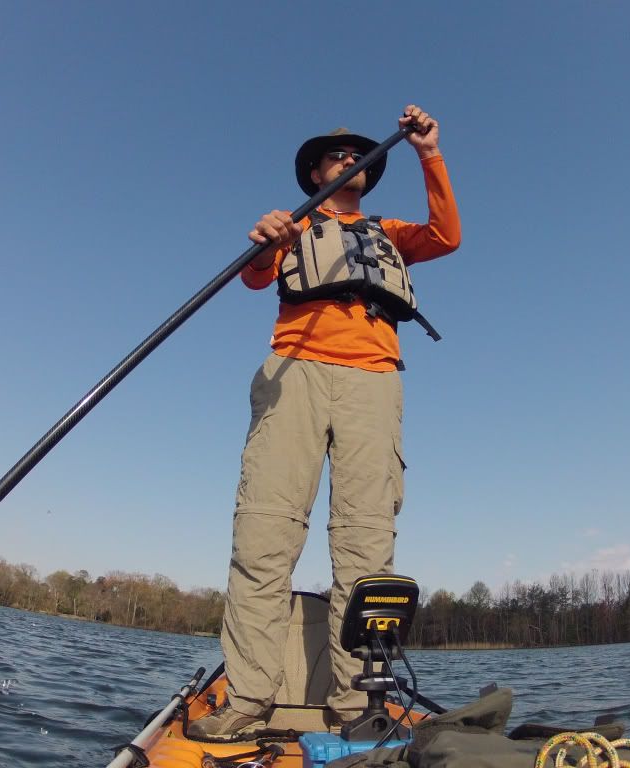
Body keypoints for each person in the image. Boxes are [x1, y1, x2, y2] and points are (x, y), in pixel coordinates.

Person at [188, 105, 462, 740]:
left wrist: (429, 152)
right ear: (314, 171)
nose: (347, 160)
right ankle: (249, 698)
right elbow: (255, 279)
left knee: (366, 548)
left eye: (355, 155)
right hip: (295, 375)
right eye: (334, 156)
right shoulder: (290, 225)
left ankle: (353, 704)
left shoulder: (387, 231)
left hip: (374, 382)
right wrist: (266, 240)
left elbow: (446, 235)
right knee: (264, 538)